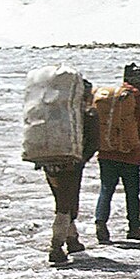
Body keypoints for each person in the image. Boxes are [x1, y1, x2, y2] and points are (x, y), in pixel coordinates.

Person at [95, 63, 140, 243]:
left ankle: (100, 225)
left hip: (106, 152)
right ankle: (134, 228)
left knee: (106, 190)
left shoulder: (112, 96)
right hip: (130, 153)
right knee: (131, 193)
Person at [44, 79, 100, 263]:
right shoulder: (88, 114)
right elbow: (93, 143)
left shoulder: (55, 112)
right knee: (66, 205)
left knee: (61, 199)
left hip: (50, 163)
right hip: (71, 165)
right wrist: (80, 161)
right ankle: (56, 247)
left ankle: (72, 239)